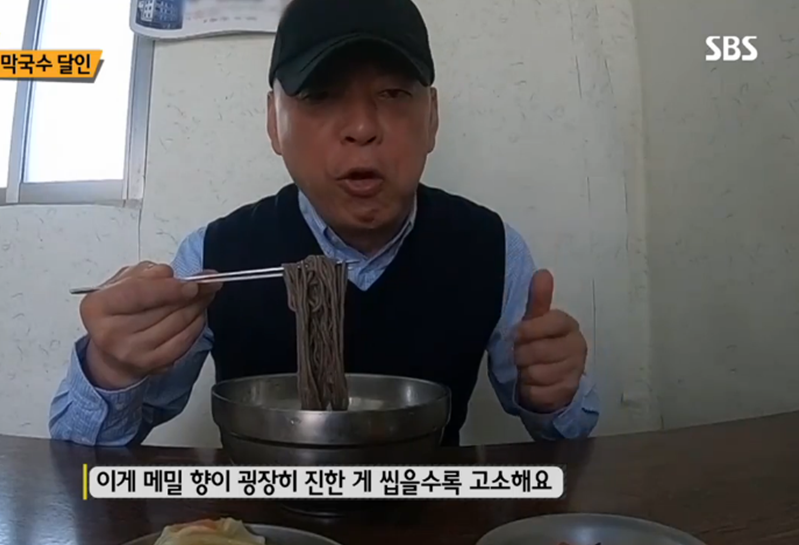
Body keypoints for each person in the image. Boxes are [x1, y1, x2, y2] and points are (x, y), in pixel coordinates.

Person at [49, 0, 599, 447]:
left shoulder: (492, 249)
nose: (361, 127)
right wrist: (111, 369)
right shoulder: (215, 257)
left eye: (393, 93)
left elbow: (569, 435)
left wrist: (555, 396)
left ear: (432, 117)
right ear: (274, 122)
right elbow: (83, 454)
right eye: (320, 94)